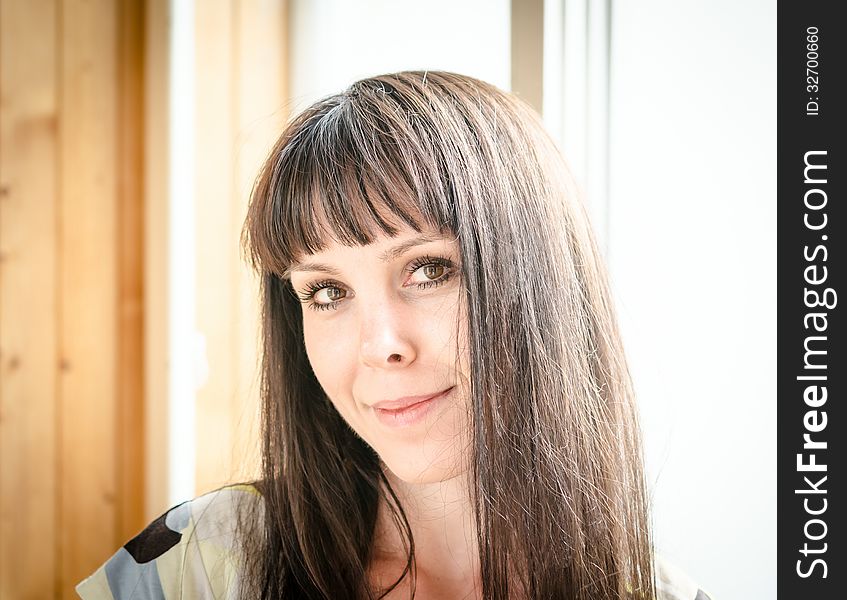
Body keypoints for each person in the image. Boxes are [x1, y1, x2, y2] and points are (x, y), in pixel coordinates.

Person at [77, 71, 712, 600]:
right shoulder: (199, 565)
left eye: (429, 271)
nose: (380, 344)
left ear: (538, 283)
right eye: (327, 292)